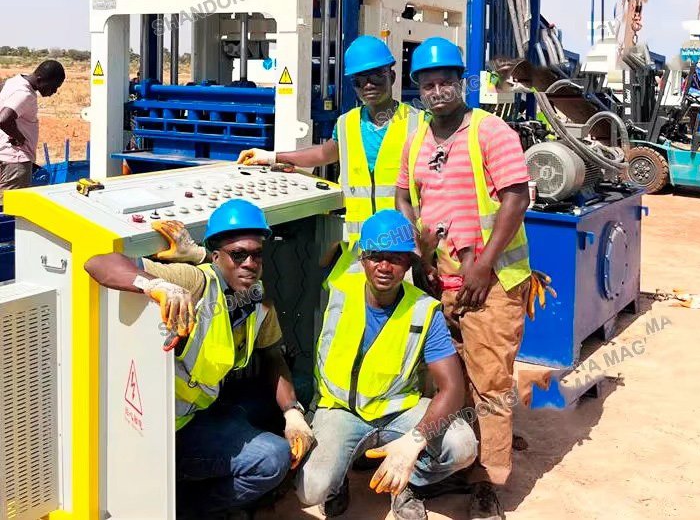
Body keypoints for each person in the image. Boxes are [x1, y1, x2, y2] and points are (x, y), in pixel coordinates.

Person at [83, 200, 315, 520]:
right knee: (271, 459)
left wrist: (292, 414)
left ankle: (204, 497)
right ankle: (187, 509)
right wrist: (155, 285)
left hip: (206, 409)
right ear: (216, 257)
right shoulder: (194, 282)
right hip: (166, 431)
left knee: (301, 388)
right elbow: (99, 262)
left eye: (257, 254)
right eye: (238, 255)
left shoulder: (256, 299)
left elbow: (273, 354)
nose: (250, 262)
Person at [395, 37, 531, 520]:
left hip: (490, 281)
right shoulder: (416, 138)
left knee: (490, 381)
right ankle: (453, 461)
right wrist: (420, 255)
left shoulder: (490, 131)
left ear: (461, 82)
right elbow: (405, 199)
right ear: (418, 90)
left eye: (445, 82)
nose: (437, 92)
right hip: (440, 281)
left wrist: (485, 263)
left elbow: (516, 196)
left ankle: (488, 480)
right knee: (447, 380)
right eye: (427, 85)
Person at [296, 209, 478, 520]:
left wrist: (414, 442)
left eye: (395, 258)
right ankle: (338, 483)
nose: (384, 266)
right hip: (339, 409)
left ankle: (408, 483)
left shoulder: (423, 310)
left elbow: (453, 387)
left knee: (462, 446)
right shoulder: (339, 287)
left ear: (408, 263)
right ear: (362, 258)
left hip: (399, 411)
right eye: (376, 256)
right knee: (312, 489)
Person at [238, 35, 421, 282]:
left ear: (392, 76)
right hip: (360, 251)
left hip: (403, 252)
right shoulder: (346, 124)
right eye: (360, 80)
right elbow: (324, 154)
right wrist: (272, 157)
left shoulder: (417, 122)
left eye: (377, 76)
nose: (368, 85)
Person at [0, 60, 65, 207]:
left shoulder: (14, 82)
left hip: (5, 156)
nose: (54, 92)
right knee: (12, 211)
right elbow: (3, 120)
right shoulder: (25, 94)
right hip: (15, 162)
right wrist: (20, 137)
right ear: (40, 80)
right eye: (53, 87)